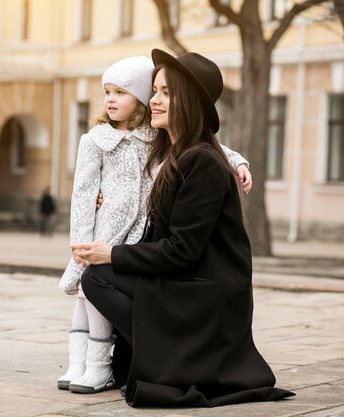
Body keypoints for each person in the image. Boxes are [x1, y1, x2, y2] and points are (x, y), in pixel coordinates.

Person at [72, 49, 294, 407]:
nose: (153, 100)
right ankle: (150, 353)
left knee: (99, 276)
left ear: (188, 102)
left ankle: (171, 355)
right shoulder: (175, 152)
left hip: (207, 293)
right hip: (187, 281)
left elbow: (182, 251)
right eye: (154, 90)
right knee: (100, 276)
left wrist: (111, 252)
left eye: (165, 93)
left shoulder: (202, 161)